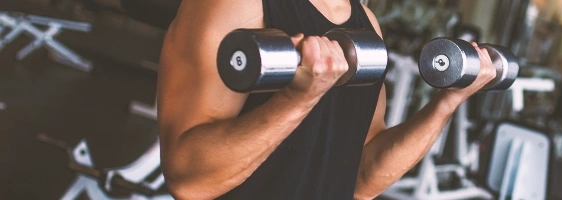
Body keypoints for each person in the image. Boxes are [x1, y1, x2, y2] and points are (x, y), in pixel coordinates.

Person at [156, 0, 496, 199]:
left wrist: (447, 102)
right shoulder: (236, 4)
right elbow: (188, 179)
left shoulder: (367, 24)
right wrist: (298, 99)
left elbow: (362, 177)